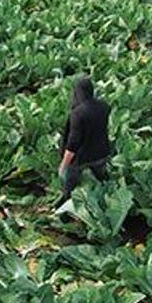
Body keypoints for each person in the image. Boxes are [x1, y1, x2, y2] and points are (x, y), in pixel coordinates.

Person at [55, 74, 112, 207]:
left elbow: (73, 143)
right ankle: (108, 200)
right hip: (101, 153)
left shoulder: (77, 113)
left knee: (70, 183)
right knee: (103, 179)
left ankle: (65, 206)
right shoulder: (104, 106)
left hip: (82, 157)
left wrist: (64, 165)